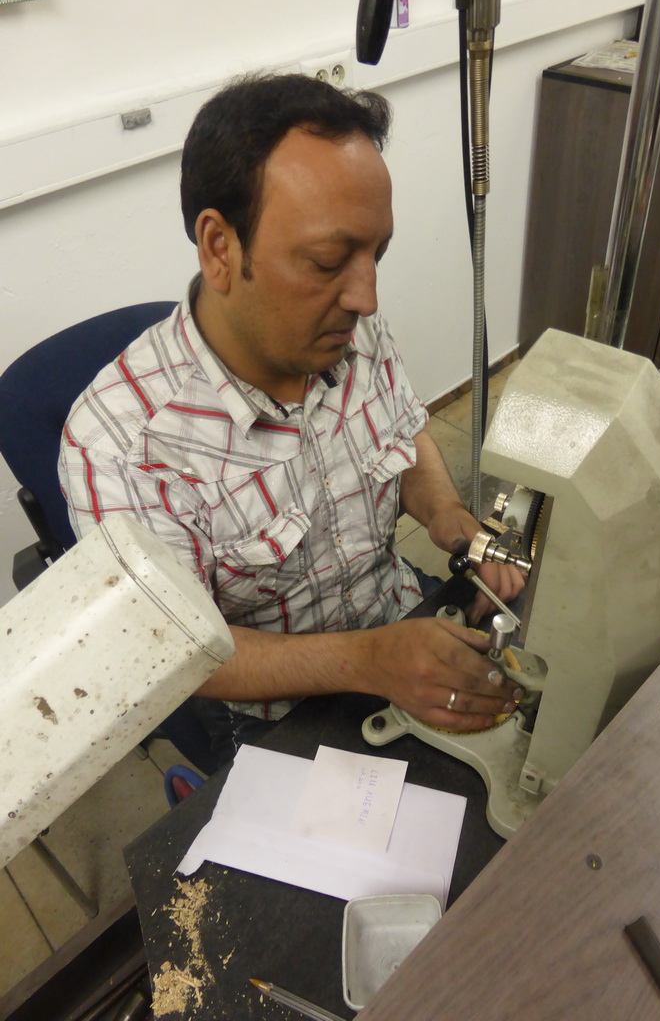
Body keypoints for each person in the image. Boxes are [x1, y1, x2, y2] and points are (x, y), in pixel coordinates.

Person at [59, 73, 524, 767]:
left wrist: (450, 518)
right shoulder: (121, 446)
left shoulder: (348, 332)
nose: (366, 298)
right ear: (220, 248)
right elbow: (185, 655)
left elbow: (403, 434)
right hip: (271, 715)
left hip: (399, 618)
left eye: (377, 256)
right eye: (329, 261)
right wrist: (368, 662)